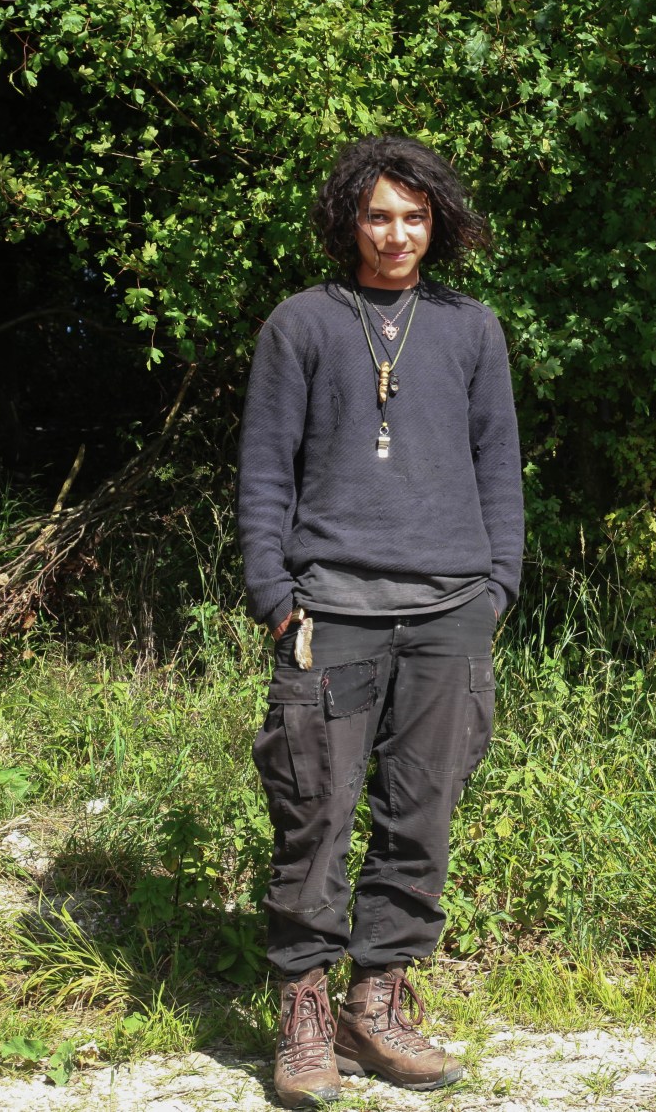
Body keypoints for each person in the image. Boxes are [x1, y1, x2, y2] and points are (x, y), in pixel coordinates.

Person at [237, 135, 523, 1107]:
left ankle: (379, 1004)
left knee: (419, 814)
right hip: (331, 612)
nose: (395, 233)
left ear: (434, 222)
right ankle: (306, 1015)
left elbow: (498, 468)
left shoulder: (471, 328)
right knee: (312, 812)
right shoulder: (303, 324)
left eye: (413, 215)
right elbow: (265, 468)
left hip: (448, 610)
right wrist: (275, 598)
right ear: (347, 222)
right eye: (377, 215)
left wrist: (495, 591)